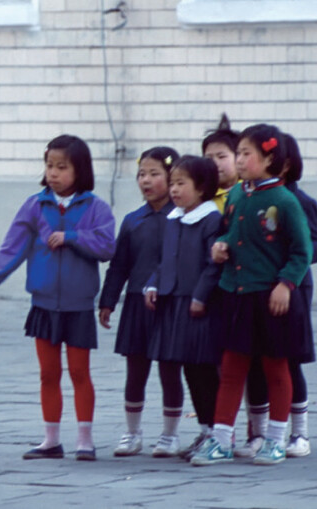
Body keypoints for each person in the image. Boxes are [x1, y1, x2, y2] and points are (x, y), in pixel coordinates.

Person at [0, 135, 115, 461]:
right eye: (49, 165)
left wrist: (72, 237)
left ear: (79, 170)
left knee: (80, 373)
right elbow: (13, 247)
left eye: (61, 167)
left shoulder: (96, 208)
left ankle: (85, 440)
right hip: (43, 304)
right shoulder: (34, 205)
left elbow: (108, 246)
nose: (53, 172)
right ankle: (51, 439)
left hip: (79, 306)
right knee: (48, 374)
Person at [192, 124, 313, 466]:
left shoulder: (284, 200)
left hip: (271, 298)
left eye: (247, 154)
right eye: (239, 153)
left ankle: (275, 439)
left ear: (270, 159)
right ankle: (220, 440)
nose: (240, 160)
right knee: (231, 369)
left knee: (276, 368)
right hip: (236, 295)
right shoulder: (236, 195)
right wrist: (221, 247)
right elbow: (232, 234)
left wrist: (286, 284)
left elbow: (301, 252)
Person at [237, 133, 317, 459]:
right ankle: (258, 432)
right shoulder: (246, 198)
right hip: (255, 288)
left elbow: (308, 246)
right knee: (254, 357)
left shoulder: (297, 202)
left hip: (291, 286)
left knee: (288, 358)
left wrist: (285, 273)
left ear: (284, 164)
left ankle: (298, 432)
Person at [99, 147, 178, 457]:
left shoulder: (181, 218)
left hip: (169, 304)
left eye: (154, 174)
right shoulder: (133, 221)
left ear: (173, 178)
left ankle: (170, 436)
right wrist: (108, 300)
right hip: (135, 304)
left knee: (170, 370)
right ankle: (132, 433)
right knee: (136, 370)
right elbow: (119, 265)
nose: (146, 180)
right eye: (141, 174)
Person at [143, 156, 223, 460]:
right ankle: (205, 430)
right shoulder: (174, 218)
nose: (174, 190)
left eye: (181, 184)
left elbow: (212, 266)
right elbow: (166, 260)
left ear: (201, 188)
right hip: (174, 303)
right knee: (189, 370)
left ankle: (217, 431)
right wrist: (153, 283)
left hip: (197, 306)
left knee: (204, 371)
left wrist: (201, 296)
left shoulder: (211, 220)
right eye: (173, 183)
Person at [202, 113, 240, 213]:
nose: (214, 163)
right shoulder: (201, 196)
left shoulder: (249, 192)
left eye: (221, 157)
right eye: (209, 158)